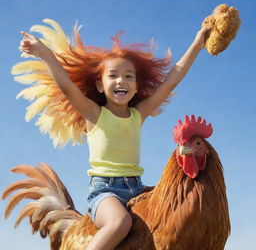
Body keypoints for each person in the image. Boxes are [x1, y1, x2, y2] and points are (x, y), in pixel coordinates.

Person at [19, 23, 209, 250]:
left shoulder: (138, 115)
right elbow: (68, 87)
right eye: (113, 76)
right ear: (100, 85)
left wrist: (197, 44)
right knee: (119, 222)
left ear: (136, 86)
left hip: (137, 189)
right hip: (105, 192)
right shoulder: (94, 114)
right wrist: (45, 54)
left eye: (129, 76)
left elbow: (171, 81)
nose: (121, 80)